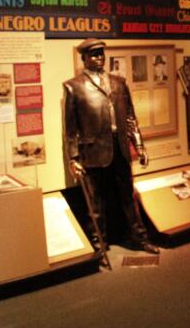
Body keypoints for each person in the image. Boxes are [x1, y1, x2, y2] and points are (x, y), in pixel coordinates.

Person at [63, 39, 159, 254]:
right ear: (84, 58)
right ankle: (99, 243)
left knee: (128, 196)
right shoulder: (73, 86)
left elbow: (130, 117)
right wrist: (73, 158)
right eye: (94, 54)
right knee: (95, 202)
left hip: (120, 148)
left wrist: (139, 145)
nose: (99, 58)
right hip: (92, 151)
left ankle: (139, 238)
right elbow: (70, 129)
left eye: (101, 54)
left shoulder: (119, 83)